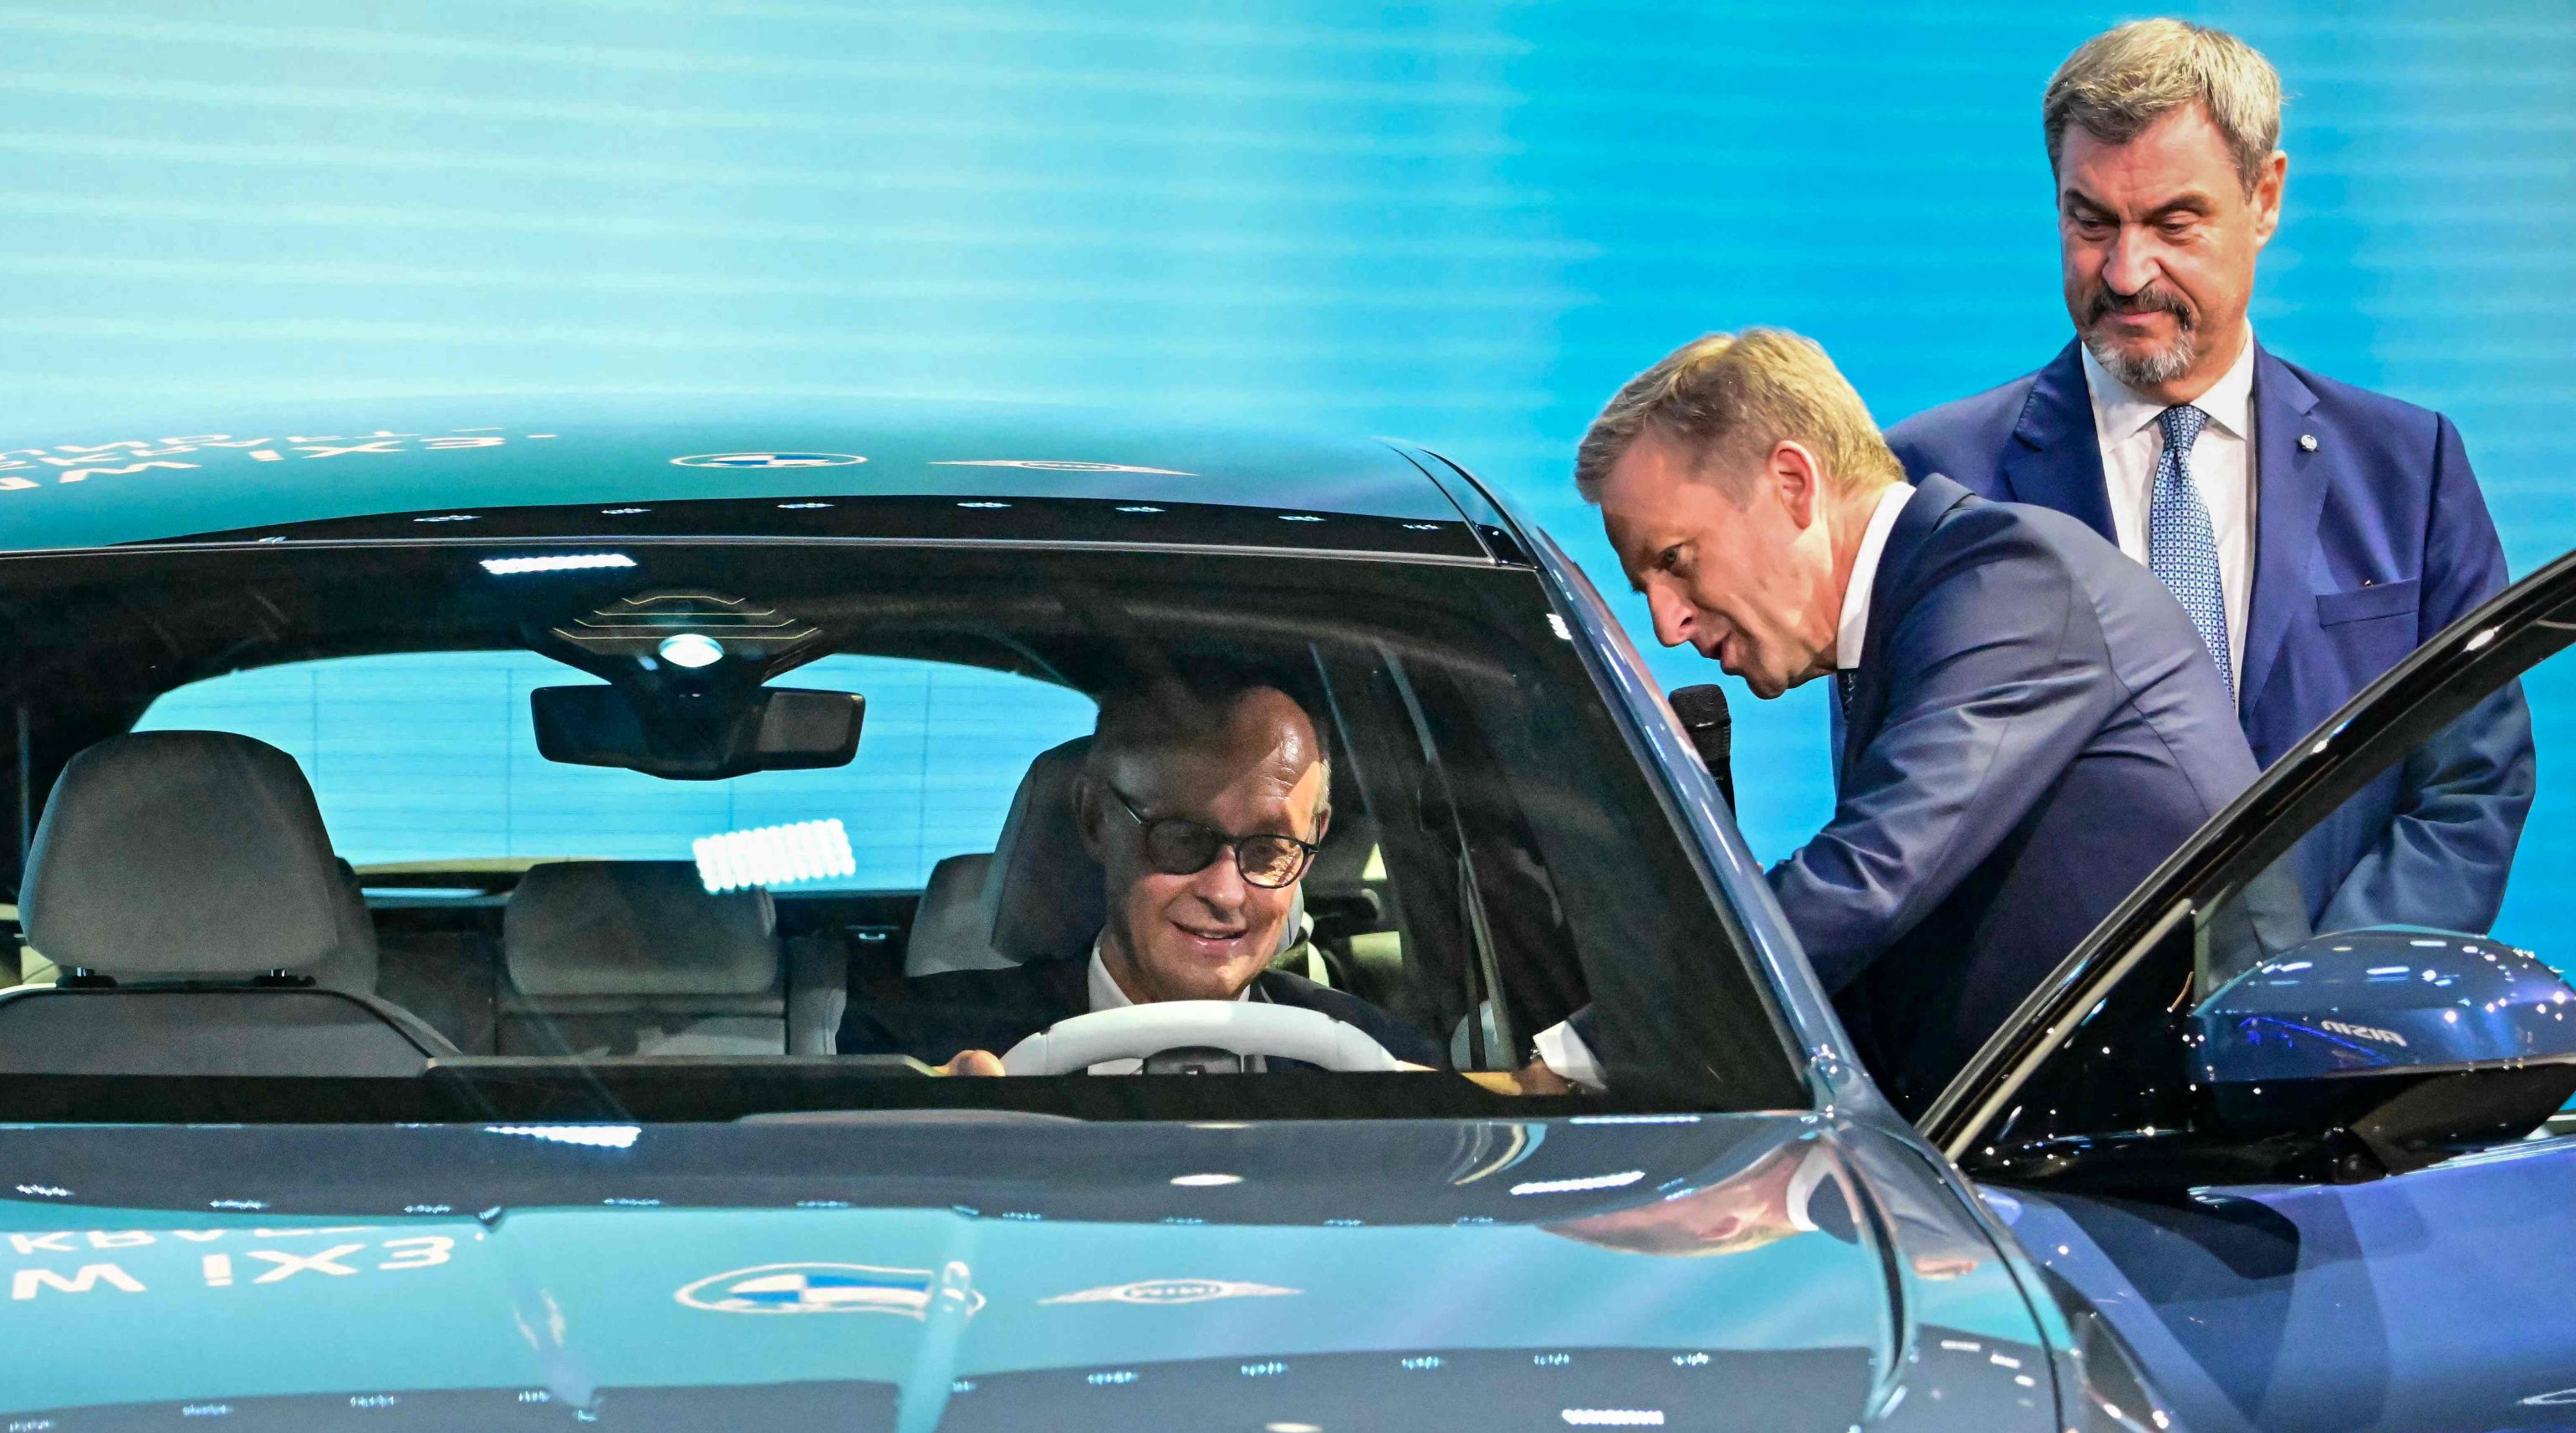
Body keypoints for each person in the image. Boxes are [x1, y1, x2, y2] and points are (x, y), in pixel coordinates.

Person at [1890, 18, 2532, 940]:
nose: (2126, 272)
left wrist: (2319, 1008)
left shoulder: (2408, 468)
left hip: (2335, 1048)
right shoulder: (1938, 480)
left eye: (2172, 223)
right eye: (2091, 221)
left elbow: (2470, 780)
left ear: (2265, 197)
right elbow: (1908, 833)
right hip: (2054, 1055)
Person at [1573, 327, 2259, 1112]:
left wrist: (1592, 1046)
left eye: (1675, 560)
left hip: (2181, 1162)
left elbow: (1867, 881)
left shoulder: (2005, 579)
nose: (1666, 624)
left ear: (1792, 483)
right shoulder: (1907, 617)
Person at [845, 681, 1445, 1072]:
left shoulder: (1385, 1063)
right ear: (1094, 821)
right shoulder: (912, 1045)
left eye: (1269, 850)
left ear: (1311, 844)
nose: (1225, 891)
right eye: (1182, 839)